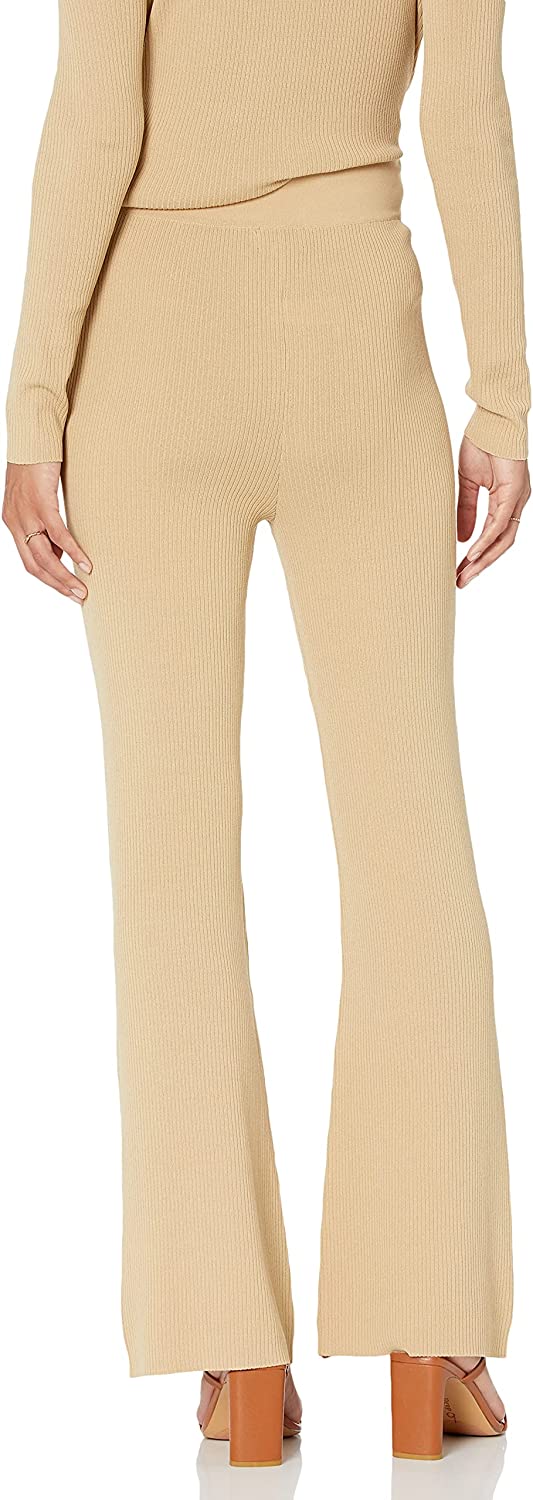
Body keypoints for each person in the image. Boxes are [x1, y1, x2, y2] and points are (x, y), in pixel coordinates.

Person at [3, 0, 530, 1469]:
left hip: (147, 355)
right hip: (352, 332)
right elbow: (466, 111)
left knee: (169, 865)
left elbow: (95, 117)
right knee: (410, 838)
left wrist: (33, 407)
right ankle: (428, 1328)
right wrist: (502, 394)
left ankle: (233, 1353)